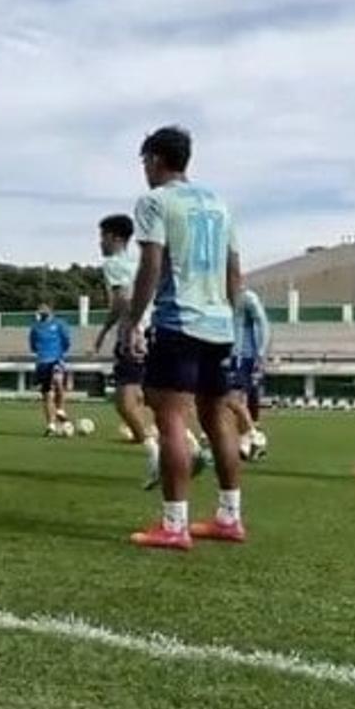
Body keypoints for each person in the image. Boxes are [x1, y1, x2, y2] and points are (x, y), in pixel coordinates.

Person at [119, 127, 246, 551]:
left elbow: (151, 265)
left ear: (155, 159)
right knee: (218, 417)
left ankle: (175, 524)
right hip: (219, 323)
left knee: (171, 418)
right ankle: (230, 517)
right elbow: (234, 272)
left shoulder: (155, 202)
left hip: (179, 321)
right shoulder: (219, 205)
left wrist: (133, 321)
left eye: (145, 162)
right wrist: (234, 320)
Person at [94, 213, 209, 488]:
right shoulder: (138, 263)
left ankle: (157, 456)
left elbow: (121, 300)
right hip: (154, 331)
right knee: (154, 399)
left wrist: (114, 330)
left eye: (103, 236)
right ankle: (190, 445)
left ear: (115, 238)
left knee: (125, 401)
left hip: (134, 335)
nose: (100, 242)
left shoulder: (113, 264)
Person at [231, 287, 271, 461]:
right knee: (236, 401)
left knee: (230, 400)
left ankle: (255, 435)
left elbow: (262, 323)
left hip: (240, 355)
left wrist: (261, 352)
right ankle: (245, 443)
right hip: (224, 353)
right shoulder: (216, 294)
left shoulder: (246, 297)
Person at [29, 303, 73, 435]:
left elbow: (66, 341)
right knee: (47, 394)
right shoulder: (35, 327)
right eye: (39, 310)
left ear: (50, 311)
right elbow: (32, 346)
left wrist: (59, 353)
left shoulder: (59, 324)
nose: (41, 312)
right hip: (42, 362)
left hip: (56, 359)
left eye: (44, 309)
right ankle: (51, 425)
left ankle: (60, 409)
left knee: (58, 381)